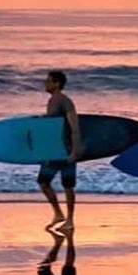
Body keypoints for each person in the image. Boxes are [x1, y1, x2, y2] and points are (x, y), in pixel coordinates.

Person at [38, 70, 82, 234]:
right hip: (56, 149)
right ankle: (60, 214)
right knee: (53, 183)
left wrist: (75, 150)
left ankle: (67, 218)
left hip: (63, 150)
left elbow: (74, 126)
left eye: (48, 80)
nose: (45, 82)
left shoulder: (64, 101)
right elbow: (55, 124)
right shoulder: (53, 101)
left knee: (60, 184)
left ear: (57, 84)